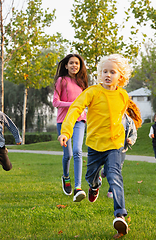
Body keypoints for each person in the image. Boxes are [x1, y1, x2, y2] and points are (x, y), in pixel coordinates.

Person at [57, 54, 131, 236]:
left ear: (120, 76)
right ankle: (95, 184)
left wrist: (125, 138)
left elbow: (121, 117)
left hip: (114, 145)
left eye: (112, 72)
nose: (107, 75)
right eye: (104, 71)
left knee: (115, 176)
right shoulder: (92, 92)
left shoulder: (123, 95)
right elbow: (75, 108)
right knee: (90, 176)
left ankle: (120, 215)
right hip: (95, 146)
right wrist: (66, 131)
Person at [53, 53, 88, 202]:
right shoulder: (61, 80)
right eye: (72, 63)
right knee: (67, 155)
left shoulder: (82, 83)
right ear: (66, 65)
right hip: (63, 121)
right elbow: (56, 102)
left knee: (77, 151)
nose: (74, 65)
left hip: (79, 120)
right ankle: (66, 177)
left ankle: (78, 187)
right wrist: (73, 105)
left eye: (77, 63)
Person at [101, 99, 142, 199]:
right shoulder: (111, 119)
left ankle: (111, 190)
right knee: (108, 167)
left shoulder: (129, 121)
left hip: (122, 150)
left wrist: (131, 140)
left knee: (117, 170)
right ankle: (105, 171)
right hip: (110, 149)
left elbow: (134, 134)